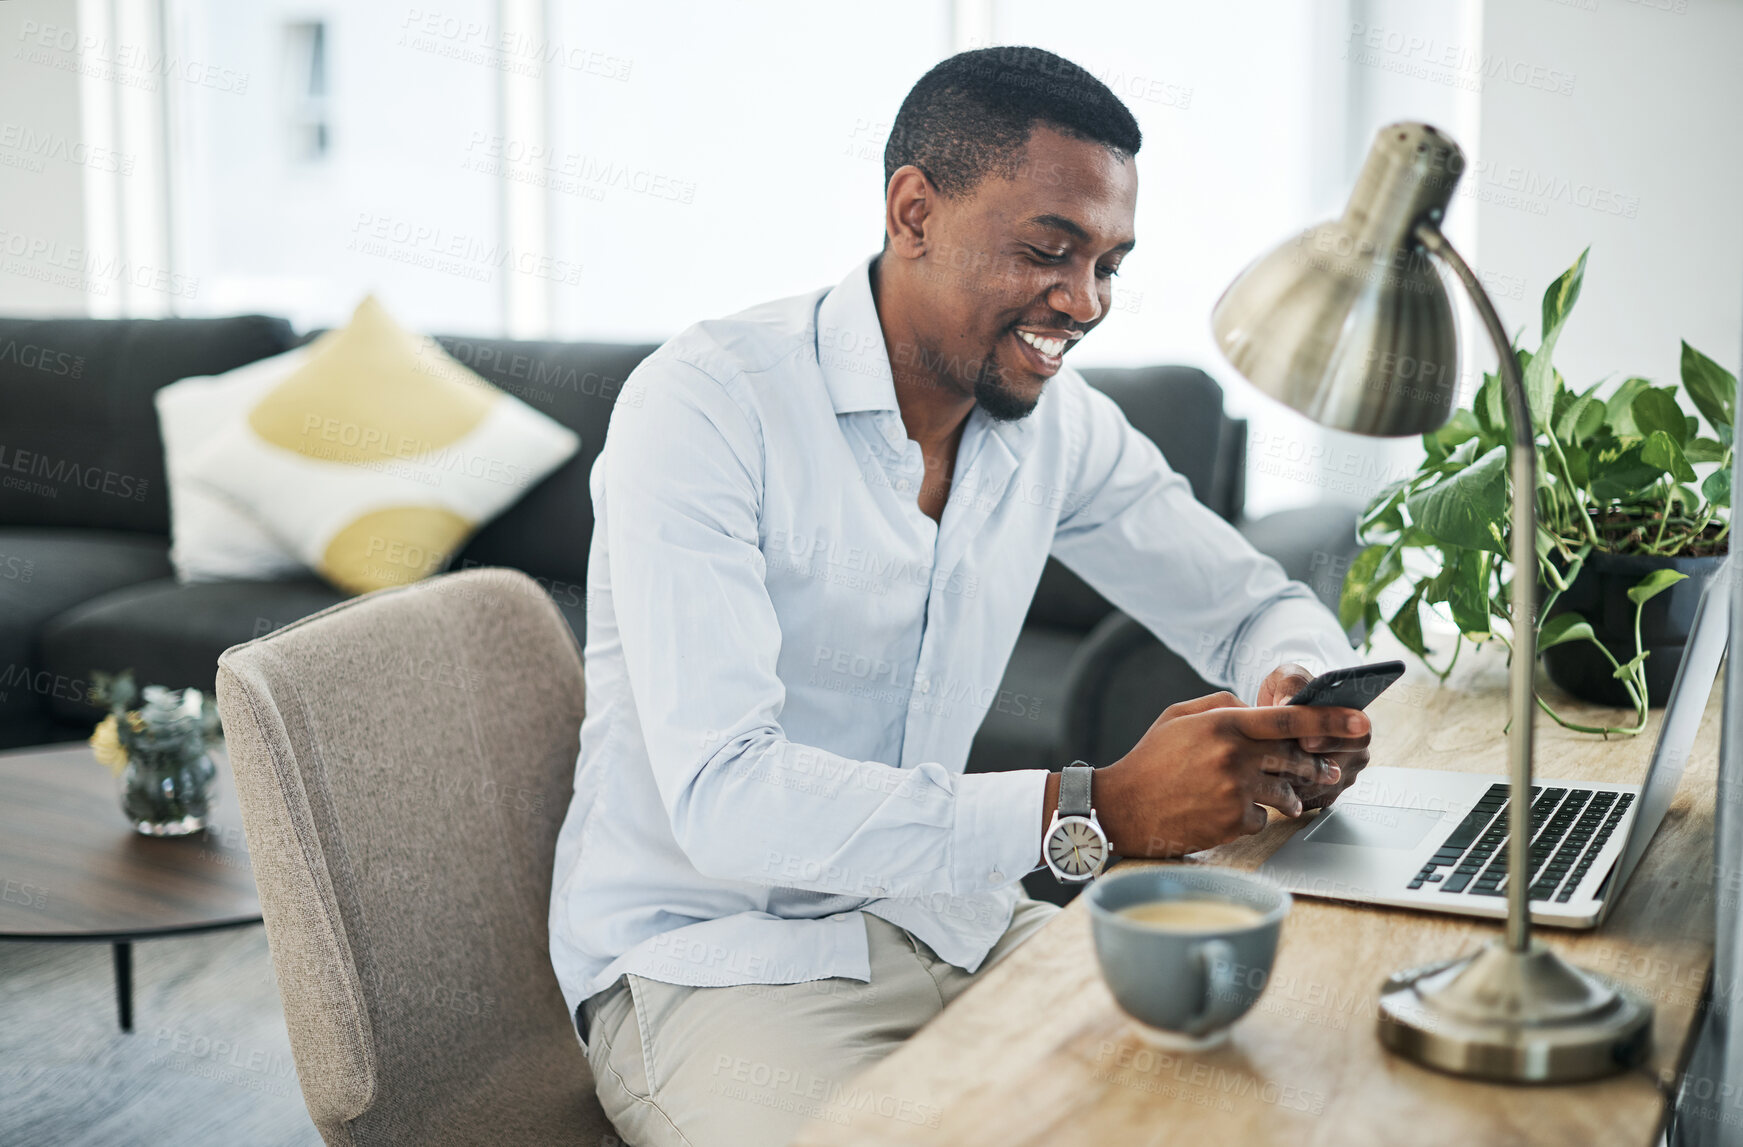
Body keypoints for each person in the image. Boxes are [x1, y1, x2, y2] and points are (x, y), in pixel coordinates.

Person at [549, 45, 1371, 1147]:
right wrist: (1094, 806)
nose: (1083, 303)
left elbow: (1244, 603)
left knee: (1252, 1105)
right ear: (914, 211)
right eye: (1050, 249)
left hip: (958, 925)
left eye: (1110, 263)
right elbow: (728, 800)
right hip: (717, 966)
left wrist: (1298, 693)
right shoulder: (705, 407)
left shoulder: (1057, 429)